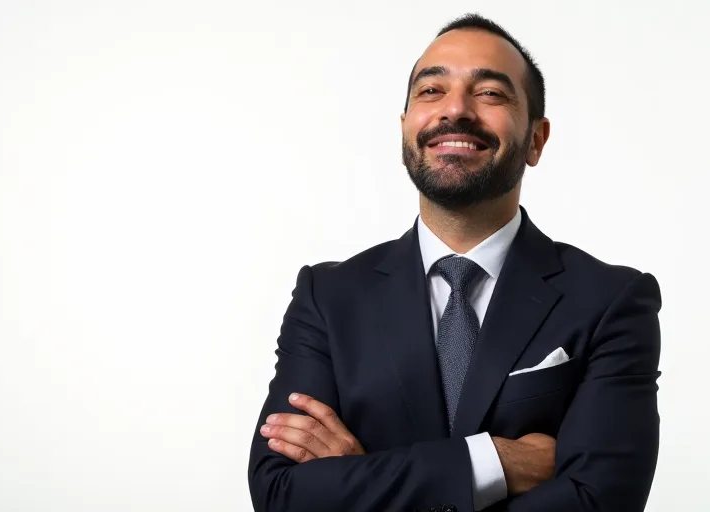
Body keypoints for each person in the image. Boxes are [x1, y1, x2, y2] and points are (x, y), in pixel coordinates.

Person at [248, 13, 662, 512]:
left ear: (536, 138)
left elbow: (600, 502)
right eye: (431, 91)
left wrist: (359, 477)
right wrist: (494, 464)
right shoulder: (328, 297)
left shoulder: (611, 301)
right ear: (406, 129)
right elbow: (281, 495)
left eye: (490, 93)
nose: (456, 110)